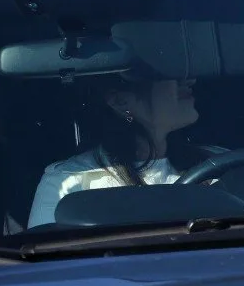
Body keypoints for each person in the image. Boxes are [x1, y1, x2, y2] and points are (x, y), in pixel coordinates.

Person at [26, 75, 199, 228]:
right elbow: (50, 261)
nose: (190, 79)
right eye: (168, 71)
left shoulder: (218, 163)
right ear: (120, 101)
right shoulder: (67, 181)